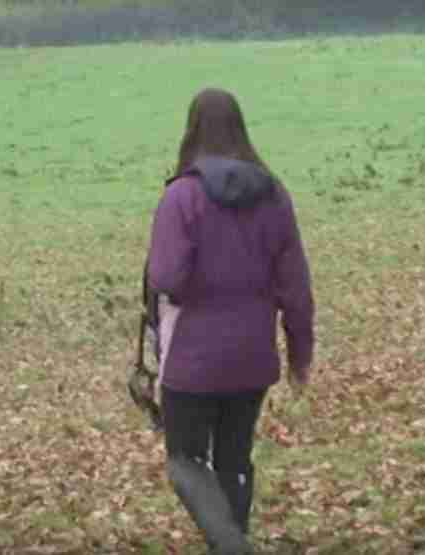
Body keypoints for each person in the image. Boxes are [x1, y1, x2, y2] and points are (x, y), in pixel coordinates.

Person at [145, 88, 315, 554]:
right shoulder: (275, 195)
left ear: (192, 130)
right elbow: (296, 288)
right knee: (234, 460)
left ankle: (233, 546)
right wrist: (300, 354)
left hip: (192, 361)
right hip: (253, 357)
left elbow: (165, 278)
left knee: (184, 459)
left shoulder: (181, 196)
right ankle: (233, 542)